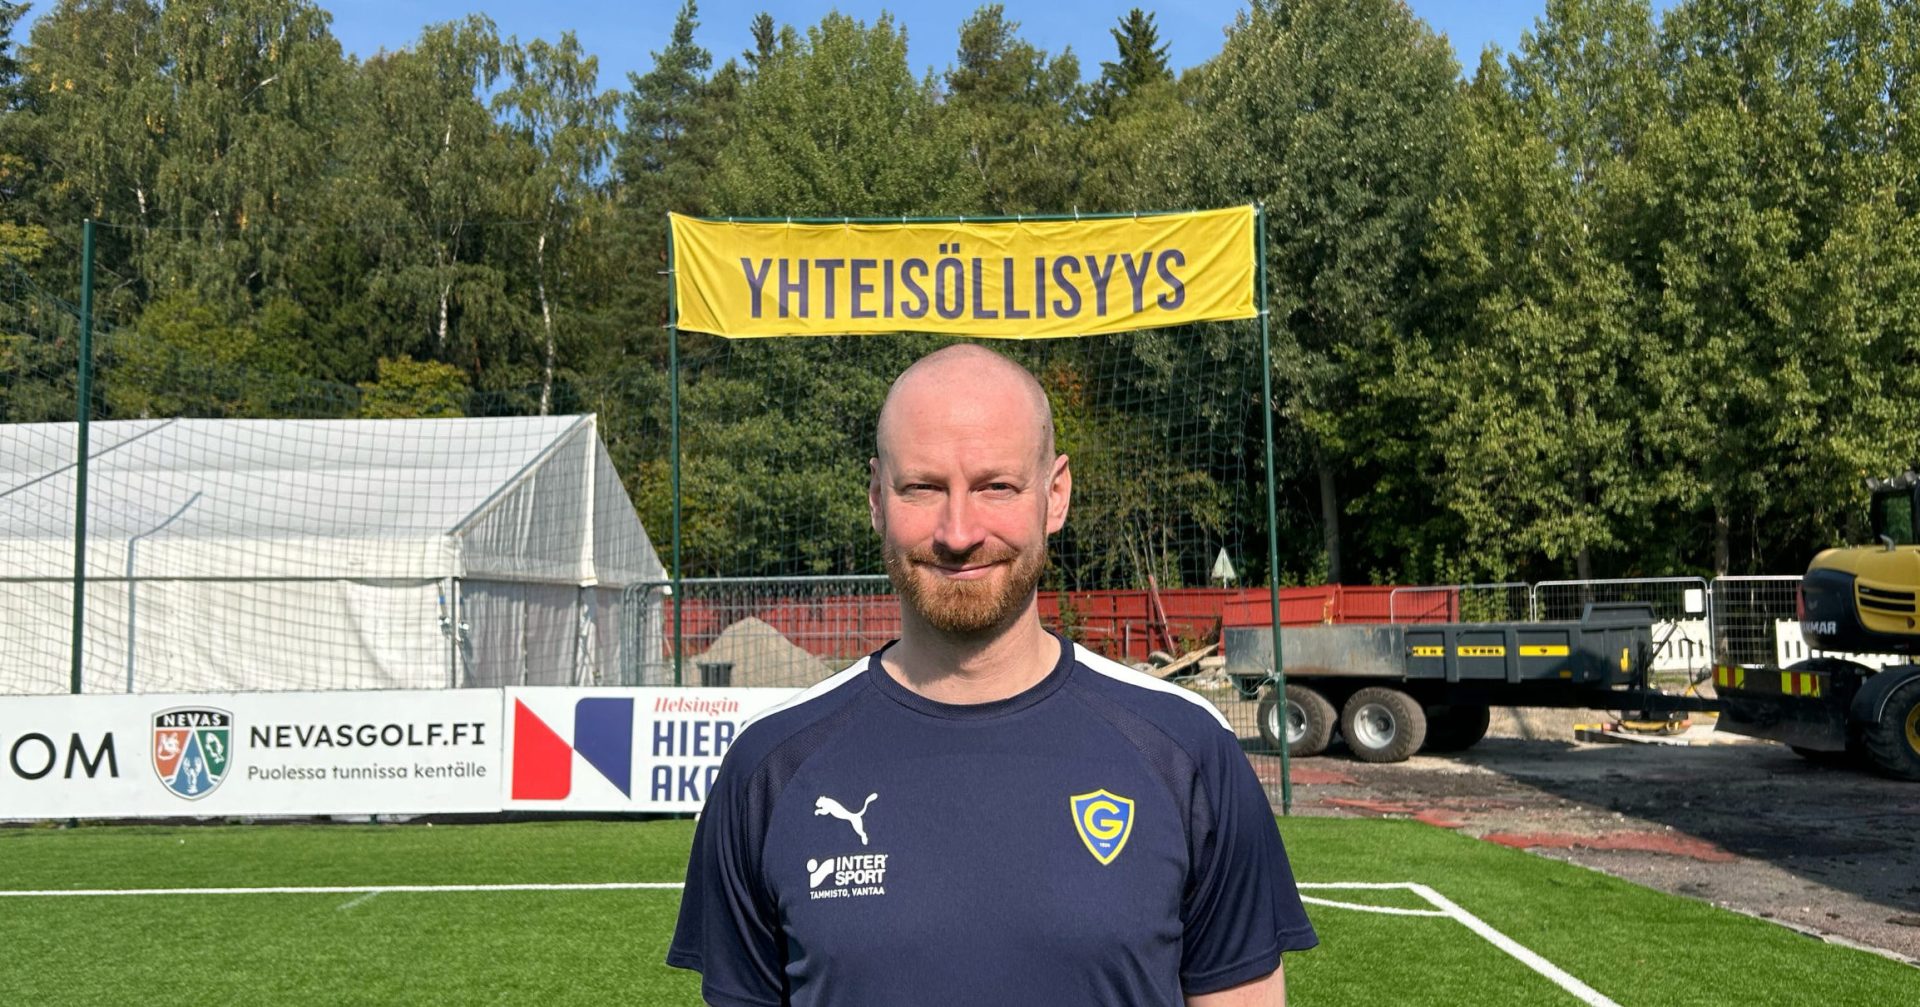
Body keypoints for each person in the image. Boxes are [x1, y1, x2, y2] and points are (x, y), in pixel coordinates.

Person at [668, 344, 1317, 1006]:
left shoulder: (1186, 750)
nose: (958, 532)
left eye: (995, 486)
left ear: (1055, 495)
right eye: (923, 488)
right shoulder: (768, 768)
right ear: (876, 499)